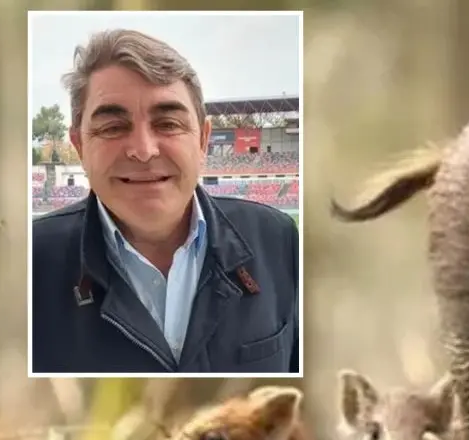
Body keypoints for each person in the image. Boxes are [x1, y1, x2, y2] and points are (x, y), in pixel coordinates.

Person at [31, 29, 299, 374]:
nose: (143, 150)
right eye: (112, 127)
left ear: (203, 140)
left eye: (168, 123)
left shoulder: (278, 240)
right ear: (80, 146)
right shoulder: (28, 264)